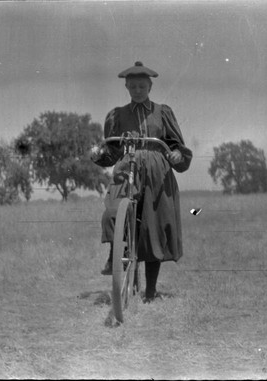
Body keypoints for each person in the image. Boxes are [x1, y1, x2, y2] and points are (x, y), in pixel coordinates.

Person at [91, 61, 193, 303]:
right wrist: (99, 155)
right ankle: (115, 254)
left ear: (150, 86)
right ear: (127, 87)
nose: (138, 90)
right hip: (127, 168)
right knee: (113, 213)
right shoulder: (118, 115)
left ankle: (150, 291)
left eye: (142, 86)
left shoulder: (163, 112)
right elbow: (112, 151)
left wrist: (176, 154)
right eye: (133, 86)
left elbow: (176, 145)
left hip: (157, 173)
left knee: (154, 228)